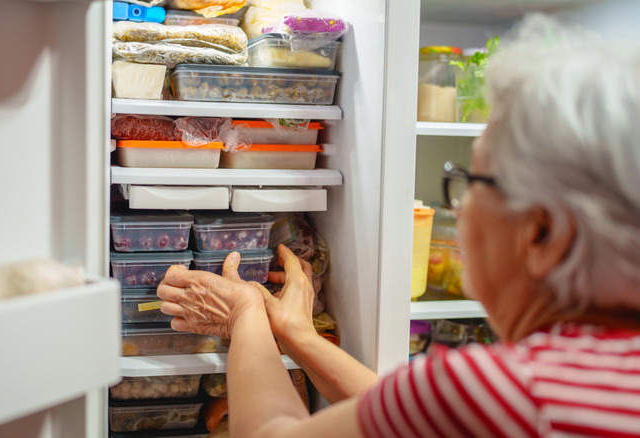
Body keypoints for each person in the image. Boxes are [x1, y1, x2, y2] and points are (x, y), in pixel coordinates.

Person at [156, 15, 640, 438]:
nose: (463, 208)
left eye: (472, 180)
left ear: (544, 235)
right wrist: (296, 333)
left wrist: (245, 316)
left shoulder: (513, 395)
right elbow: (409, 418)